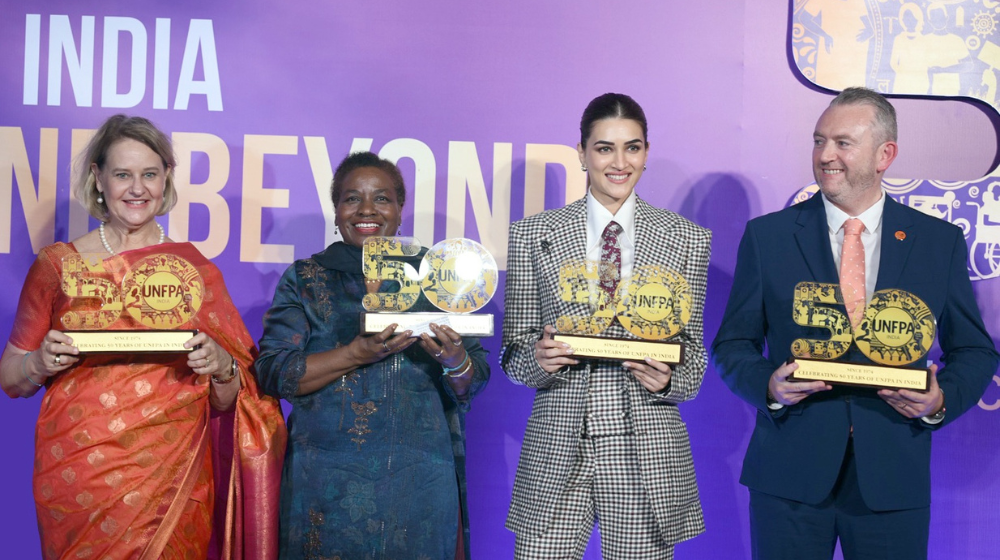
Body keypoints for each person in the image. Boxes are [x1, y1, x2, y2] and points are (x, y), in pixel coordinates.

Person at [712, 87, 999, 560]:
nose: (826, 155)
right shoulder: (769, 237)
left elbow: (975, 351)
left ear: (885, 154)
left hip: (892, 481)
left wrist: (940, 398)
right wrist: (768, 386)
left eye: (843, 143)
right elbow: (733, 344)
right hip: (788, 481)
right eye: (818, 140)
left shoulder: (937, 242)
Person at [0, 114, 287, 559]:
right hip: (79, 476)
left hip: (170, 477)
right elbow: (11, 378)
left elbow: (234, 400)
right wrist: (37, 362)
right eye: (123, 175)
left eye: (149, 174)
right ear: (98, 177)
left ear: (167, 178)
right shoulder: (57, 265)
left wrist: (222, 367)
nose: (137, 188)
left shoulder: (195, 271)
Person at [501, 93, 711, 560]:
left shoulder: (686, 240)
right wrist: (538, 360)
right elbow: (513, 353)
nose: (620, 162)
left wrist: (669, 379)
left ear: (646, 153)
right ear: (581, 153)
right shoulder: (534, 235)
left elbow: (693, 357)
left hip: (644, 453)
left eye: (632, 148)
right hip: (558, 446)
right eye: (604, 148)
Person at [254, 151, 490, 560]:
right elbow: (275, 373)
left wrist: (455, 360)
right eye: (351, 198)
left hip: (421, 480)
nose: (366, 209)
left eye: (381, 198)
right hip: (325, 482)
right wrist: (354, 354)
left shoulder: (437, 277)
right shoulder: (306, 279)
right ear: (336, 210)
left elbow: (474, 377)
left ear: (400, 210)